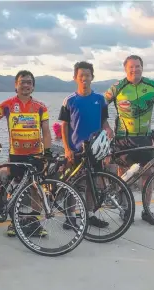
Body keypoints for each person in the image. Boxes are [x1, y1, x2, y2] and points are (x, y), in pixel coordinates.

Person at [103, 55, 154, 224]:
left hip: (145, 137)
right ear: (126, 69)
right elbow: (101, 106)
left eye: (138, 66)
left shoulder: (152, 85)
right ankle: (125, 209)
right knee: (124, 175)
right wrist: (107, 127)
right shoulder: (118, 87)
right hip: (124, 138)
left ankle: (147, 211)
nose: (135, 69)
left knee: (148, 174)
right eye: (131, 67)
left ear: (142, 67)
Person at [0, 70, 51, 237]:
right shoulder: (7, 105)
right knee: (14, 188)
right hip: (16, 154)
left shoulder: (40, 107)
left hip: (36, 155)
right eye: (22, 82)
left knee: (35, 189)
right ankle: (13, 222)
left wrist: (48, 152)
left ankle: (34, 223)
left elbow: (46, 132)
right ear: (16, 85)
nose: (26, 85)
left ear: (33, 87)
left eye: (29, 82)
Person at [58, 61, 114, 229]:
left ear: (92, 77)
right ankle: (70, 217)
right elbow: (64, 126)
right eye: (81, 76)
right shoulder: (69, 100)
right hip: (75, 150)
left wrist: (109, 131)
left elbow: (104, 121)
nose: (84, 79)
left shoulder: (100, 99)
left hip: (95, 150)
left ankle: (89, 215)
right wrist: (67, 149)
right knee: (72, 184)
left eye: (87, 75)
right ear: (75, 78)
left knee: (93, 184)